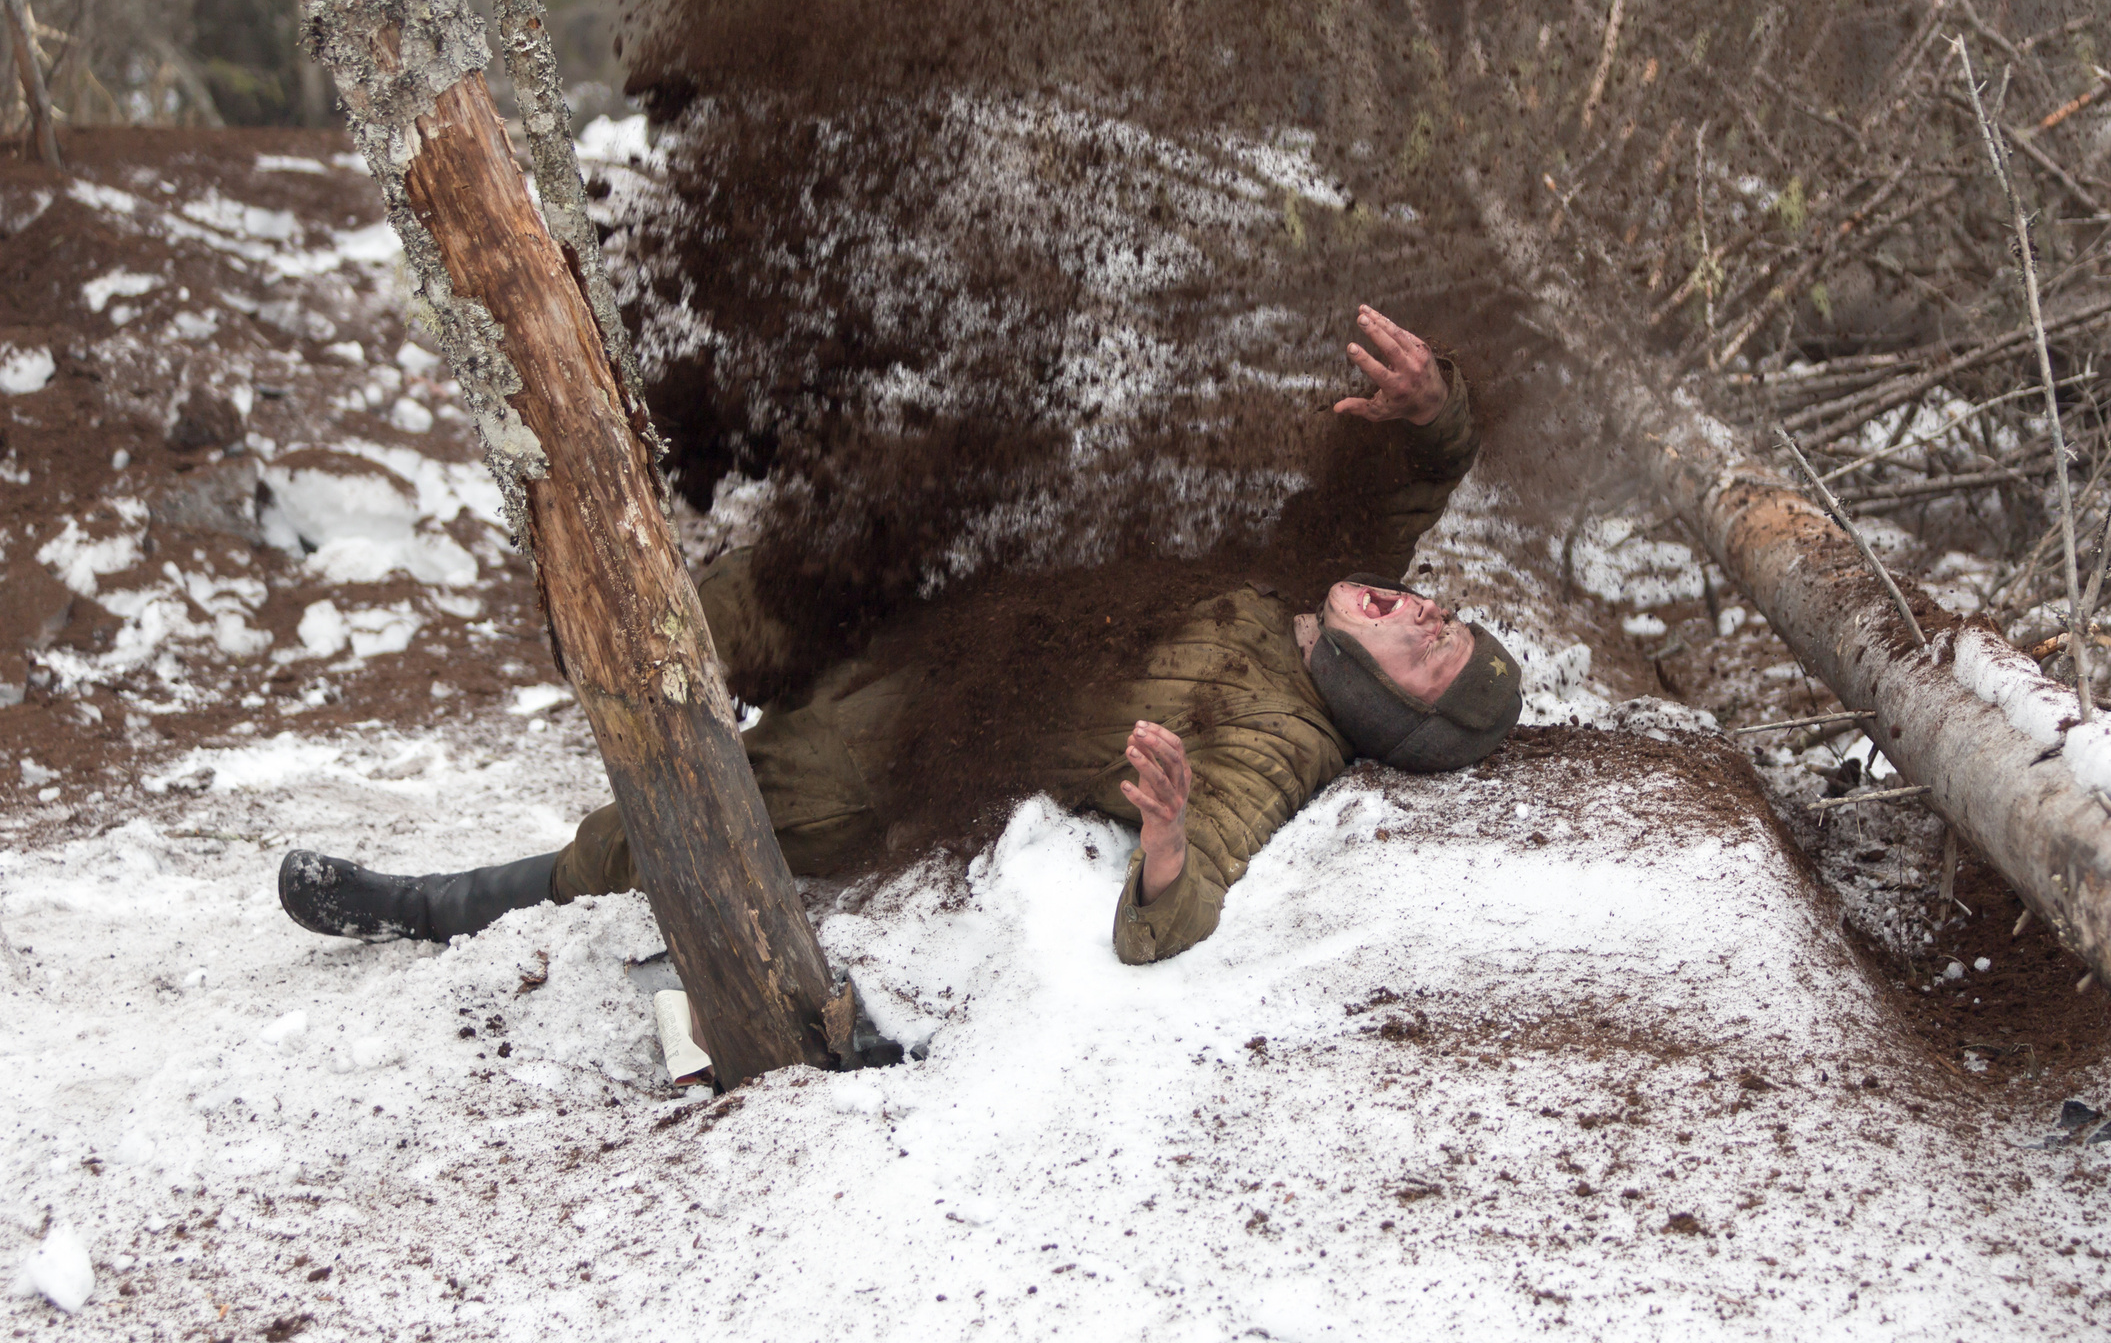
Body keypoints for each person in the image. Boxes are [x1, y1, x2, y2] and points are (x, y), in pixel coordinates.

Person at [278, 306, 1522, 969]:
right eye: (1440, 613)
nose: (1422, 611)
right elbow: (1414, 478)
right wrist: (1435, 407)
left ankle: (439, 907)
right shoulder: (1315, 578)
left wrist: (1166, 841)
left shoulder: (1280, 734)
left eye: (1429, 650)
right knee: (700, 620)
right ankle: (602, 629)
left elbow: (1189, 898)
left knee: (697, 815)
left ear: (1381, 707)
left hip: (915, 742)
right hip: (940, 609)